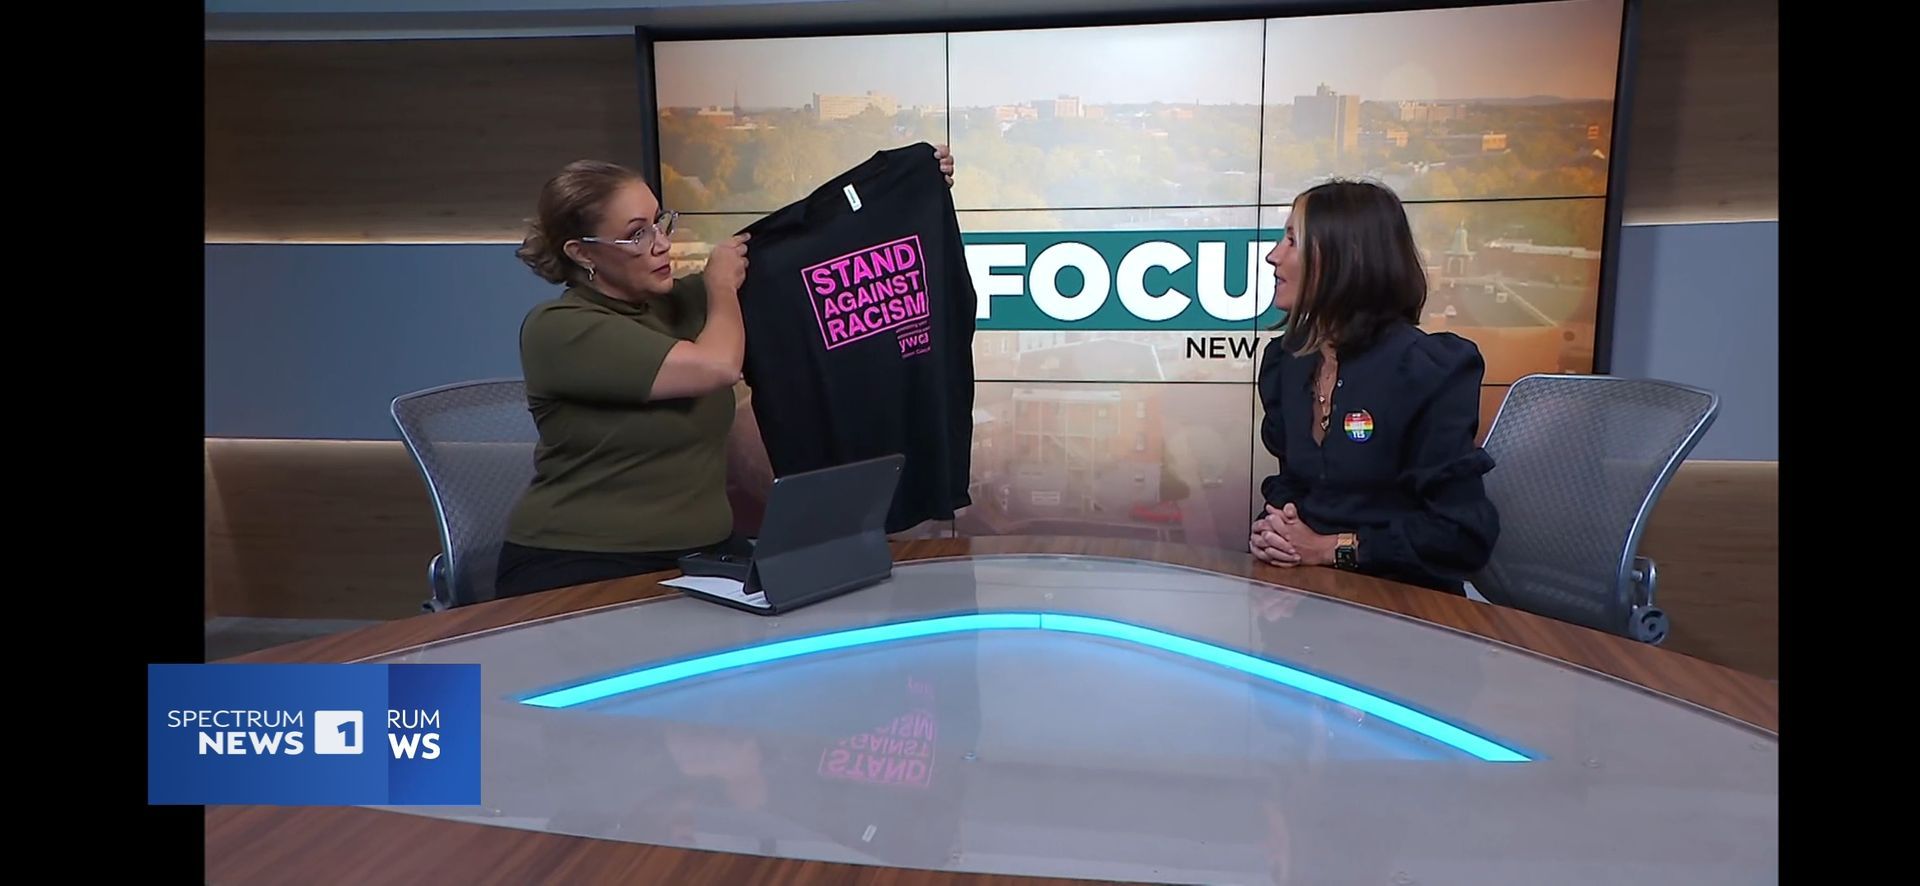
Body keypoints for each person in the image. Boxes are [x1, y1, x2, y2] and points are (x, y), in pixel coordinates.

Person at [496, 147, 957, 599]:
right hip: (584, 562)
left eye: (660, 221)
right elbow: (717, 367)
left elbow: (802, 253)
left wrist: (905, 186)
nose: (661, 243)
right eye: (636, 235)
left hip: (701, 555)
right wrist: (719, 286)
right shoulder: (558, 329)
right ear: (582, 253)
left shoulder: (679, 303)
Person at [1249, 179, 1499, 595]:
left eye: (1292, 241)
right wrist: (1275, 529)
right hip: (1312, 597)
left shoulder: (1426, 370)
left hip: (1406, 605)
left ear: (1343, 259)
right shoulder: (1288, 362)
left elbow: (1461, 535)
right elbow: (1295, 484)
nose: (1274, 256)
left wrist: (1330, 549)